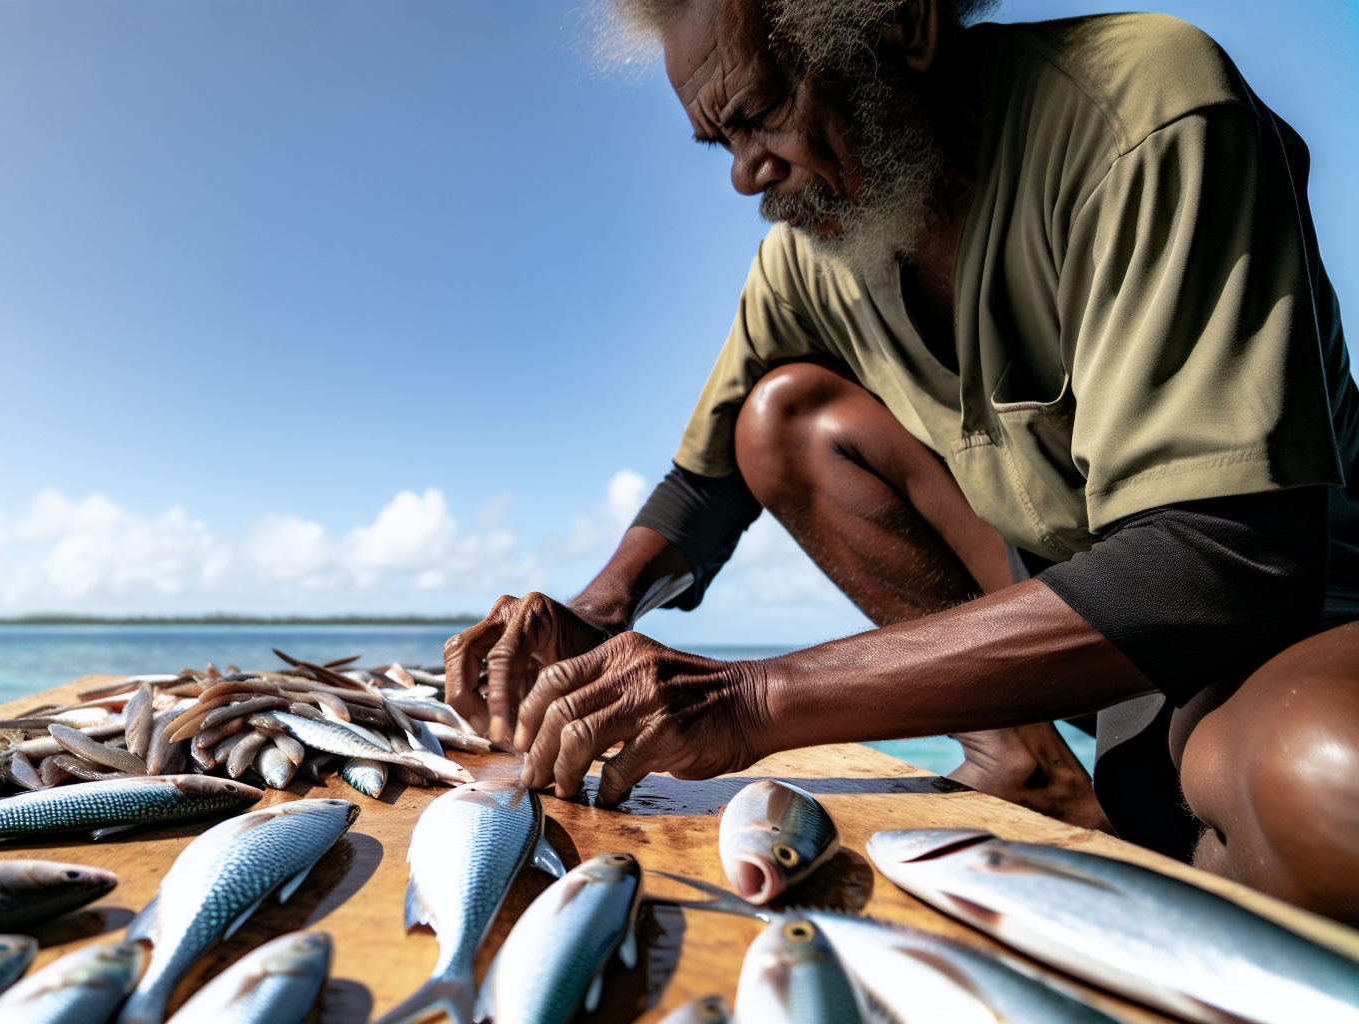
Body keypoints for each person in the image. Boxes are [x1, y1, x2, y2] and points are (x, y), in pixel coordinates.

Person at [444, 0, 1359, 923]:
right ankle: (1025, 762)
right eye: (722, 141)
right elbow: (706, 482)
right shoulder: (810, 260)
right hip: (1060, 609)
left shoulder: (1144, 109)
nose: (745, 173)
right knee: (785, 418)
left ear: (906, 26)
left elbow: (1224, 561)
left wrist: (753, 698)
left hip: (1280, 617)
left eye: (763, 112)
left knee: (1325, 790)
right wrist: (597, 616)